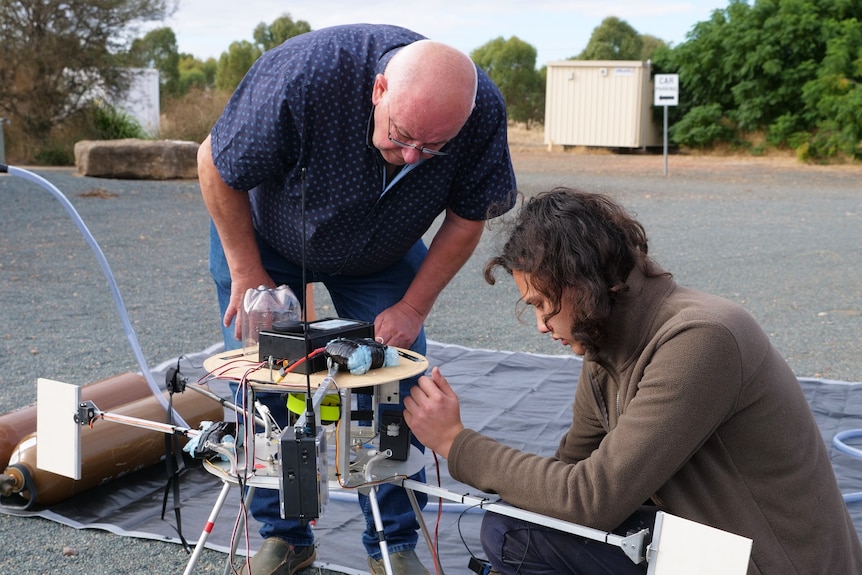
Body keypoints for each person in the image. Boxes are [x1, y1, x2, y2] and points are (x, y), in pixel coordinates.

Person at [404, 188, 862, 575]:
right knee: (520, 521)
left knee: (514, 535)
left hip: (772, 562)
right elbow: (568, 475)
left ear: (583, 286)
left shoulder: (701, 339)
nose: (542, 325)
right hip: (717, 544)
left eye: (544, 304)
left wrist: (456, 442)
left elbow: (589, 500)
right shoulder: (606, 344)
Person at [197, 23, 516, 575]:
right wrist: (246, 272)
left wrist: (413, 307)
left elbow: (469, 218)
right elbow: (214, 164)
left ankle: (394, 544)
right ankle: (285, 536)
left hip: (382, 249)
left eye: (432, 148)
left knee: (391, 380)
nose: (413, 157)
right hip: (265, 243)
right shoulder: (301, 76)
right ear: (378, 90)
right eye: (402, 136)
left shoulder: (481, 109)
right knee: (269, 380)